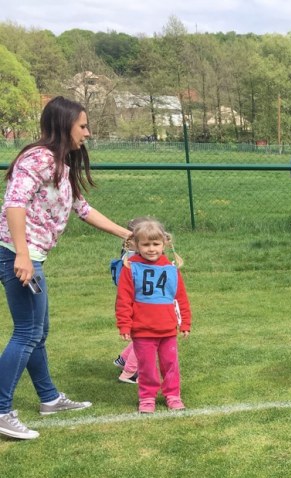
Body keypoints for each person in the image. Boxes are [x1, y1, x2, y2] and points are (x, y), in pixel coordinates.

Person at [0, 96, 132, 440]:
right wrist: (22, 255)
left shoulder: (60, 164)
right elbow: (14, 204)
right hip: (16, 254)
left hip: (29, 255)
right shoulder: (38, 159)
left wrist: (126, 234)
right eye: (82, 126)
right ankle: (1, 410)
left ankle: (49, 398)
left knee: (37, 332)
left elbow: (82, 209)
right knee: (27, 332)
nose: (87, 133)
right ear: (64, 125)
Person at [115, 218, 191, 413]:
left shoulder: (171, 269)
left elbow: (180, 298)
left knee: (171, 365)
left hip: (168, 329)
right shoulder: (130, 268)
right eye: (146, 244)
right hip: (142, 330)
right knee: (146, 367)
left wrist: (185, 323)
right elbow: (124, 299)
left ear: (164, 244)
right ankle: (147, 397)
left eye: (155, 244)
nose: (151, 249)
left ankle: (173, 395)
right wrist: (124, 324)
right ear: (136, 245)